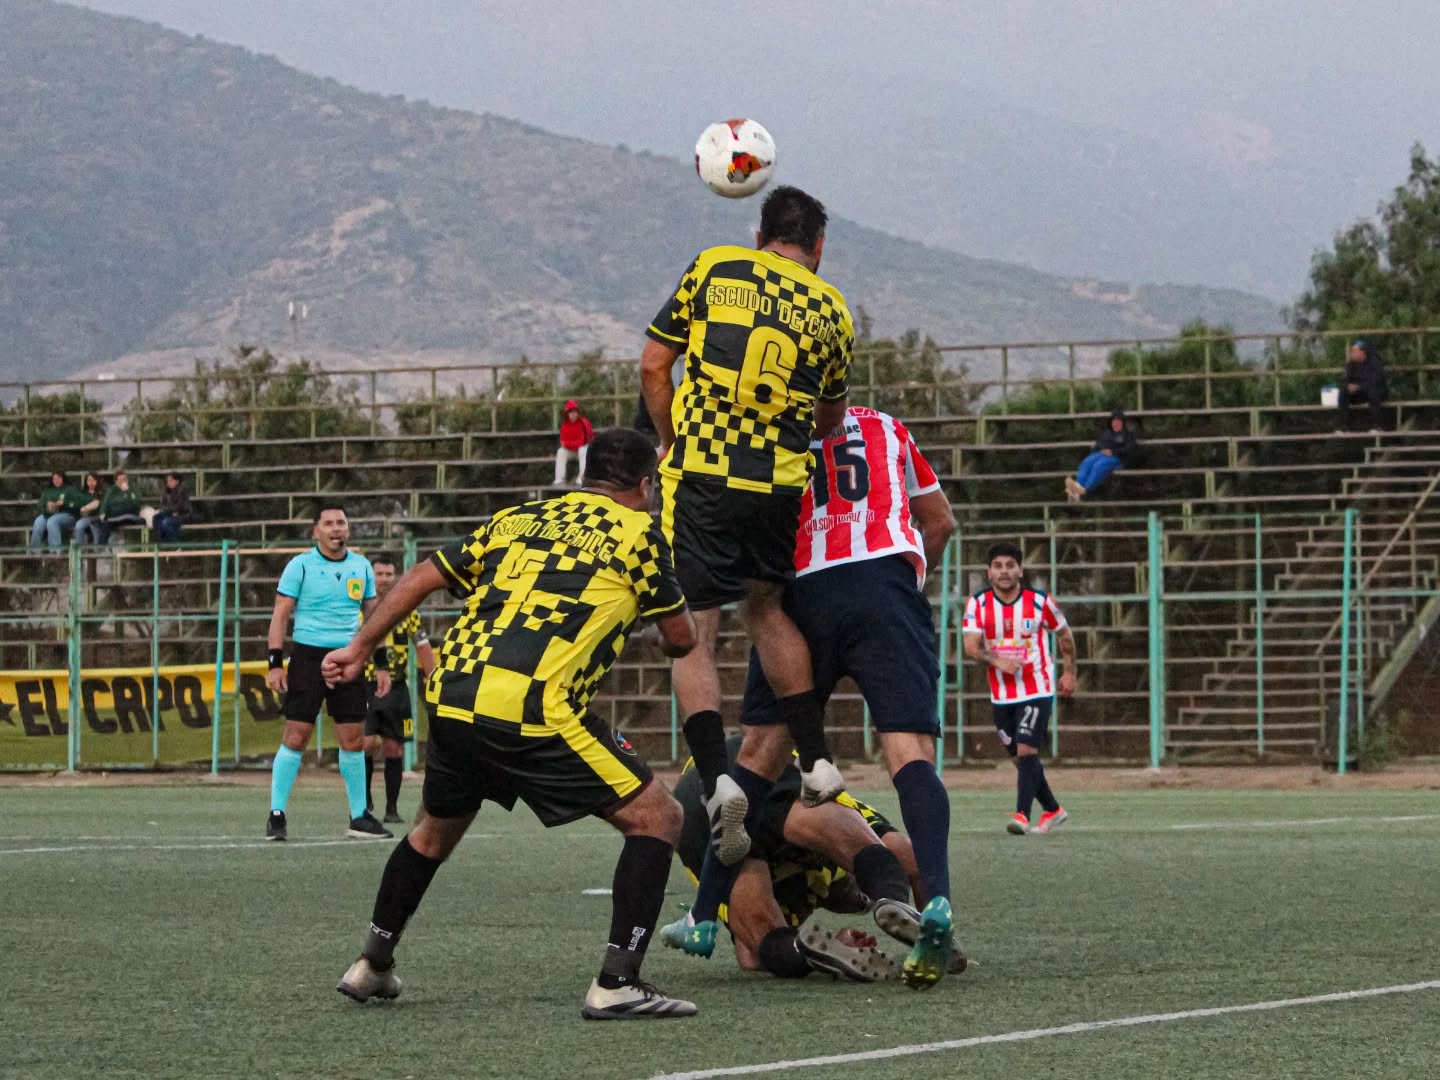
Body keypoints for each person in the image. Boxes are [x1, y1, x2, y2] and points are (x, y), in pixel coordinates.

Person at [321, 428, 702, 1020]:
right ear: (645, 485)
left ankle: (372, 964)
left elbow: (423, 574)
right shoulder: (639, 533)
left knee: (431, 834)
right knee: (660, 817)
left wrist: (360, 647)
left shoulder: (521, 516)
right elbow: (681, 639)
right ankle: (618, 982)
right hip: (533, 706)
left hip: (453, 692)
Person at [675, 406, 960, 989]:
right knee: (909, 754)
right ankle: (939, 907)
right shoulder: (884, 424)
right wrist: (910, 579)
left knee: (756, 756)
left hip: (802, 594)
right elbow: (941, 522)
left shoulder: (761, 434)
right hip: (883, 582)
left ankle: (702, 917)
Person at [640, 184, 855, 867]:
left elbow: (653, 362)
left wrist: (671, 437)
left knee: (694, 626)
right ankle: (818, 760)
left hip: (704, 472)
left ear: (760, 232)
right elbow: (830, 419)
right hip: (778, 483)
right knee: (766, 608)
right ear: (818, 247)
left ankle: (716, 776)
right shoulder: (832, 310)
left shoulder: (716, 267)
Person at [663, 735, 969, 984]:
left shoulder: (799, 902)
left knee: (768, 940)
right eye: (862, 899)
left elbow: (750, 956)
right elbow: (910, 858)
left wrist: (833, 946)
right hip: (742, 767)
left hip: (692, 804)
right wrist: (932, 934)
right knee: (867, 848)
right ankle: (891, 897)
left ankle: (808, 951)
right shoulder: (828, 869)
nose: (857, 904)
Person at [263, 504, 390, 842]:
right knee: (295, 736)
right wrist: (275, 663)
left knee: (353, 740)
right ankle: (276, 814)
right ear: (315, 531)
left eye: (342, 523)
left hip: (349, 659)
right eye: (329, 523)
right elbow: (280, 614)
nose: (337, 529)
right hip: (307, 658)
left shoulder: (361, 566)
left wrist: (381, 664)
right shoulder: (300, 566)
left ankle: (359, 816)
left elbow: (374, 619)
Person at [963, 543, 1076, 835]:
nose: (1004, 571)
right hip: (1001, 694)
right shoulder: (978, 604)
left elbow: (1064, 634)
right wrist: (996, 660)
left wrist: (1069, 671)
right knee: (1018, 756)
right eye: (998, 566)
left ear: (1020, 571)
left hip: (1037, 687)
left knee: (1027, 749)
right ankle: (1053, 809)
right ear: (989, 572)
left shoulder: (1040, 602)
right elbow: (970, 647)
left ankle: (1022, 816)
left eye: (1010, 565)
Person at [362, 552, 437, 824]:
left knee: (395, 749)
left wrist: (433, 676)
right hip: (366, 685)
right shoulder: (360, 609)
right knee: (366, 744)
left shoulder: (407, 609)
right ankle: (364, 801)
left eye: (388, 574)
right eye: (378, 574)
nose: (383, 579)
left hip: (396, 688)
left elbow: (422, 644)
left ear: (395, 576)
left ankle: (391, 808)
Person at [1065, 408, 1135, 502]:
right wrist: (1096, 451)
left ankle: (1083, 489)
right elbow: (1098, 445)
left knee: (1099, 465)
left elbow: (1129, 449)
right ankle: (1076, 490)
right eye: (1114, 422)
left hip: (1116, 458)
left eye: (1118, 422)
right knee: (1087, 462)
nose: (1116, 424)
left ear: (1122, 423)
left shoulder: (1128, 435)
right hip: (1100, 454)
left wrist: (1113, 452)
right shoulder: (1106, 433)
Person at [1336, 339, 1386, 433]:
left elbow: (1376, 381)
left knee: (1373, 392)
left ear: (1362, 353)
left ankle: (1377, 425)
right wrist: (1348, 386)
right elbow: (1345, 380)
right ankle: (1343, 426)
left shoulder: (1375, 363)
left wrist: (1359, 387)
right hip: (1357, 394)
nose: (1352, 353)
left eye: (1354, 351)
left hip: (1372, 391)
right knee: (1343, 391)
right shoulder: (1350, 364)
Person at [30, 471, 83, 549]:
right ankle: (34, 551)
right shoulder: (47, 491)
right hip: (48, 514)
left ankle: (55, 551)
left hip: (67, 515)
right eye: (54, 479)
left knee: (52, 521)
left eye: (58, 478)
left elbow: (77, 503)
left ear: (63, 478)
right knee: (38, 522)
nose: (56, 480)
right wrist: (48, 507)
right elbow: (40, 505)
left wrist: (63, 503)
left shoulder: (71, 489)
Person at [94, 469, 146, 543]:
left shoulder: (132, 490)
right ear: (116, 482)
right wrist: (103, 512)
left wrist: (127, 492)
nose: (123, 482)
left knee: (142, 521)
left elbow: (137, 503)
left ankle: (141, 548)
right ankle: (101, 549)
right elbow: (105, 502)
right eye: (120, 480)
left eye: (124, 479)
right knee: (104, 524)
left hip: (130, 516)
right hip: (115, 517)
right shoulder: (111, 491)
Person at [553, 399, 595, 487]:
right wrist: (572, 444)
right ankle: (559, 480)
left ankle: (581, 479)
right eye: (570, 412)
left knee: (582, 450)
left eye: (575, 412)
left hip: (584, 451)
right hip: (572, 451)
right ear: (567, 414)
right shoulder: (565, 425)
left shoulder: (584, 423)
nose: (573, 414)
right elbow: (563, 442)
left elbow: (583, 441)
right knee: (561, 452)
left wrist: (570, 444)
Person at [153, 472, 192, 542]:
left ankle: (177, 545)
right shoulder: (166, 490)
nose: (168, 483)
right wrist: (163, 509)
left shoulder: (182, 490)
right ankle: (159, 543)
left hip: (182, 514)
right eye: (167, 481)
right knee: (156, 518)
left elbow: (180, 506)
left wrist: (166, 509)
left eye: (170, 480)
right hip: (170, 513)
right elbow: (162, 504)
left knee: (165, 523)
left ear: (177, 481)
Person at [72, 472, 106, 544]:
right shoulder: (82, 493)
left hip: (99, 517)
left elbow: (99, 504)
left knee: (95, 525)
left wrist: (87, 507)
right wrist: (85, 509)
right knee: (79, 525)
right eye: (89, 480)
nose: (91, 483)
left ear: (97, 481)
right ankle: (81, 549)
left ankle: (97, 550)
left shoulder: (103, 492)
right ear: (86, 482)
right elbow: (79, 507)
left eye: (93, 480)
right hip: (87, 517)